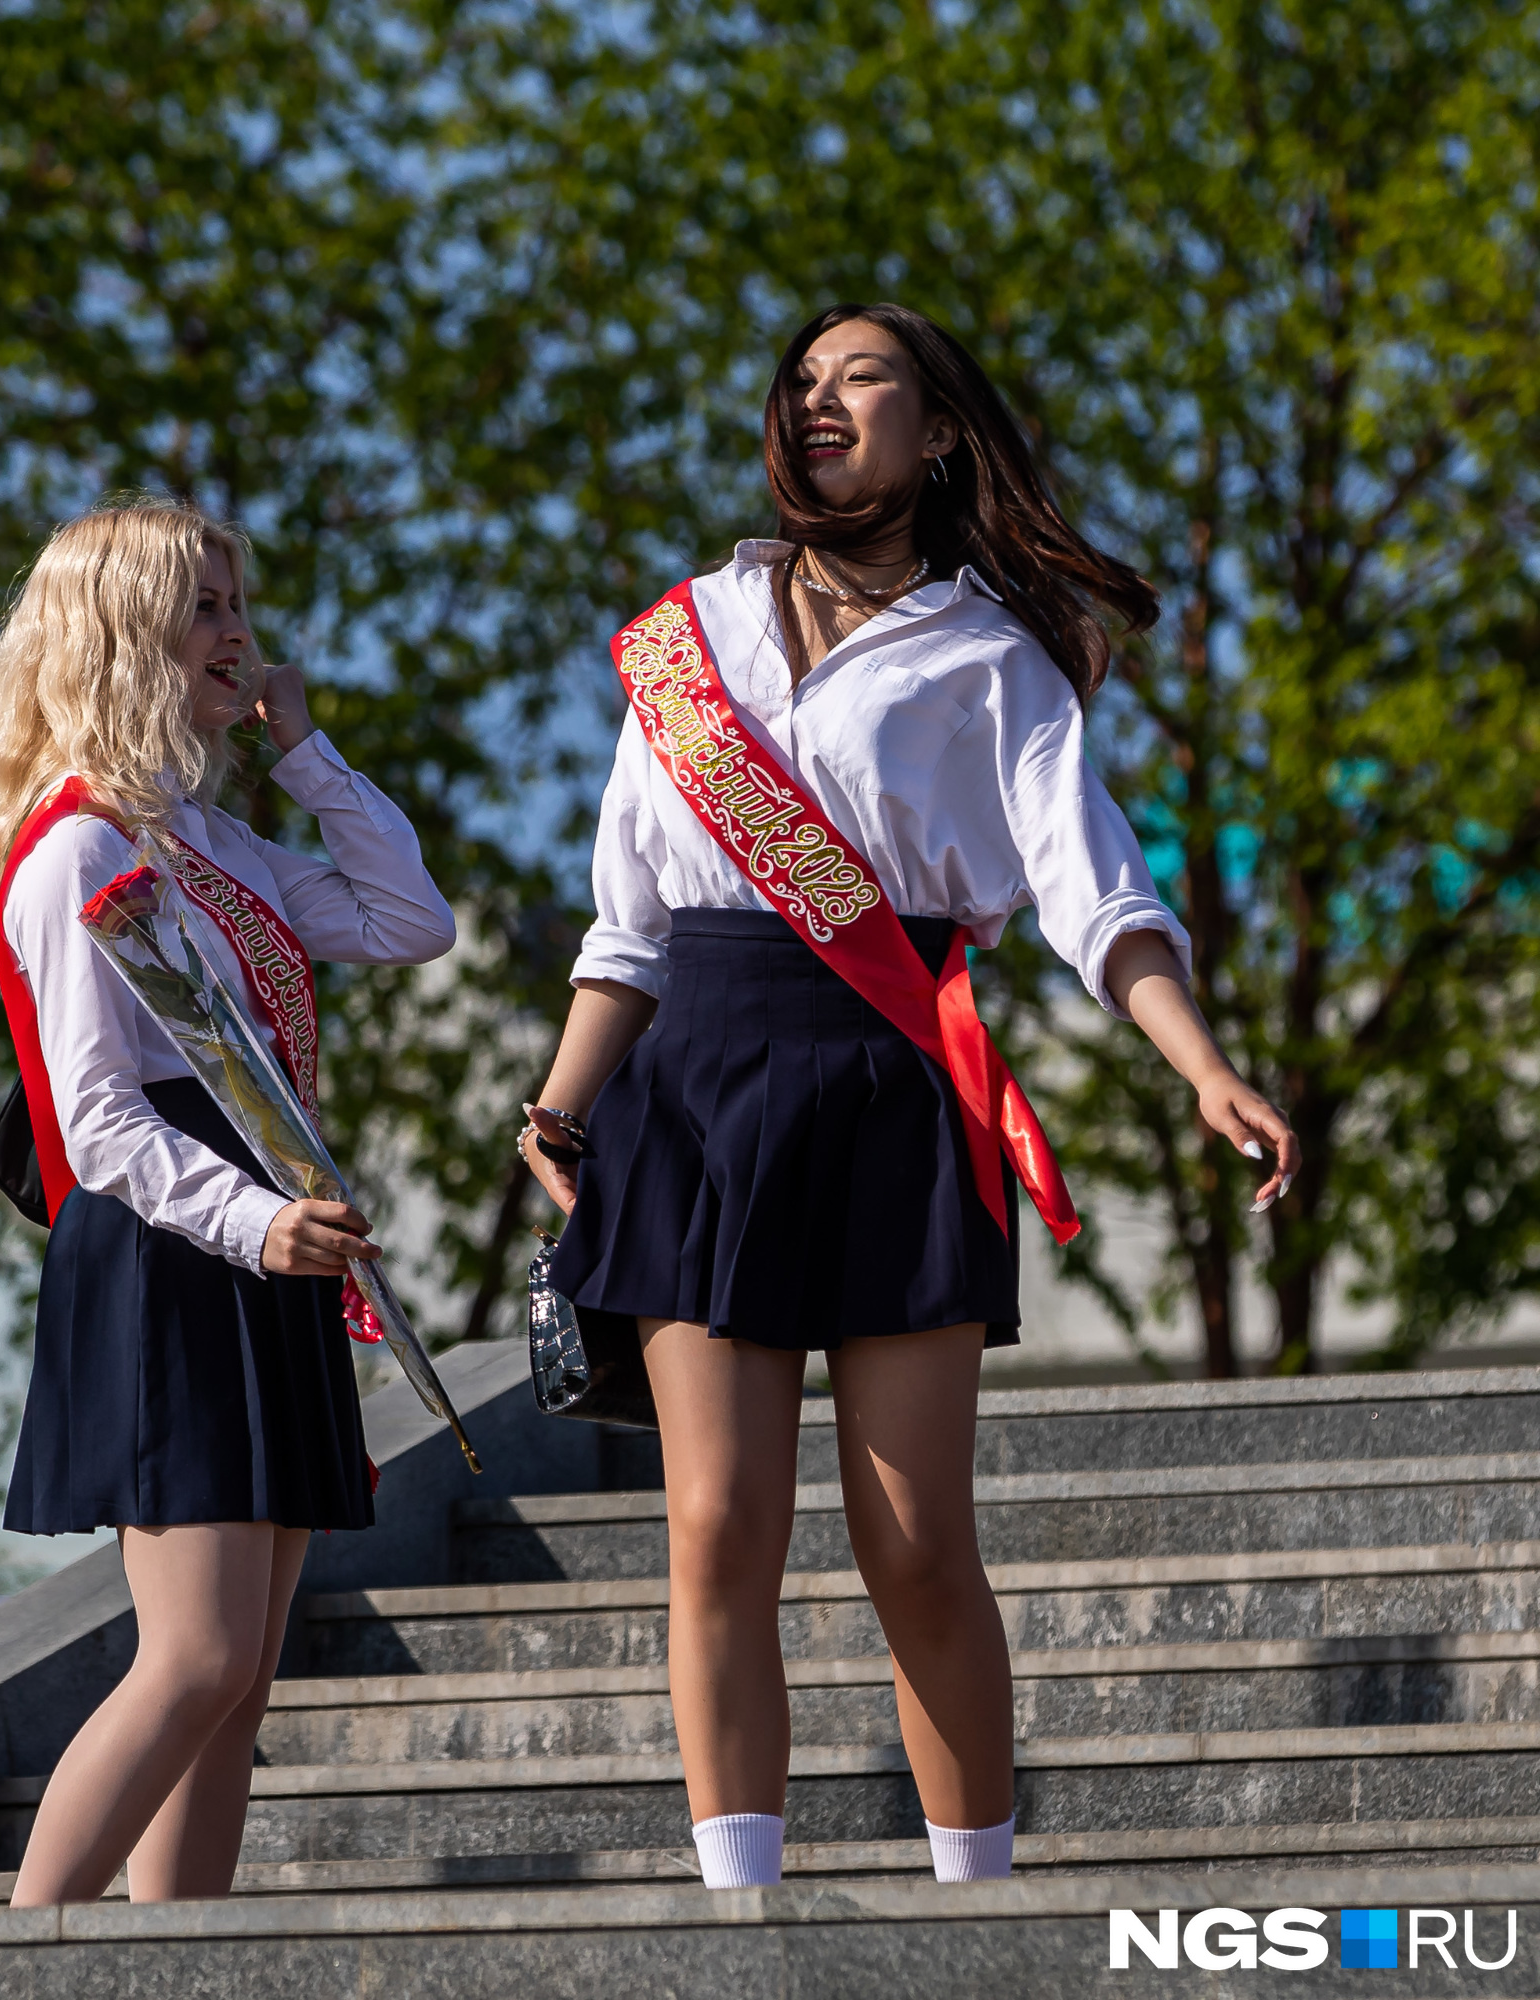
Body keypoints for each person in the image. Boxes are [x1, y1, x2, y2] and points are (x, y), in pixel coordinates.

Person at [516, 304, 1298, 1892]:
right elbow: (631, 921)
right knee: (717, 1522)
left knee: (917, 1540)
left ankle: (976, 1910)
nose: (818, 400)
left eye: (858, 376)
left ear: (939, 429)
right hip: (700, 1097)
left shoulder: (988, 655)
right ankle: (742, 1919)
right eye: (799, 380)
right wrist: (559, 1104)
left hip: (895, 1084)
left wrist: (1204, 1063)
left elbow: (1099, 889)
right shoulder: (688, 636)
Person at [0, 495, 456, 1905]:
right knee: (198, 1658)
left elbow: (410, 921)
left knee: (242, 1684)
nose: (240, 635)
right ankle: (13, 1957)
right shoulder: (79, 853)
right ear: (122, 638)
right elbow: (96, 1122)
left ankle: (176, 1962)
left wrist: (305, 749)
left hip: (260, 1244)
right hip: (175, 1245)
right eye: (206, 609)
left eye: (240, 606)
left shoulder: (205, 842)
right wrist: (257, 1223)